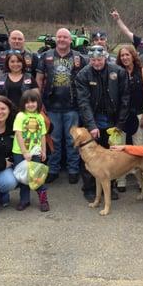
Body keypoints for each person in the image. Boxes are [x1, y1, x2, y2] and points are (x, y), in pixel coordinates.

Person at [76, 45, 130, 202]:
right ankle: (89, 187)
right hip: (92, 119)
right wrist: (91, 126)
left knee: (110, 155)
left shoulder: (118, 72)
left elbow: (125, 98)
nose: (96, 63)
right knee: (88, 155)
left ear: (105, 58)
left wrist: (120, 124)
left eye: (99, 59)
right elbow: (83, 103)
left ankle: (110, 186)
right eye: (93, 60)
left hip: (112, 119)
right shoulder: (83, 75)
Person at [36, 28, 87, 184]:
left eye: (65, 37)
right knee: (54, 139)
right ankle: (53, 169)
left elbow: (86, 80)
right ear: (55, 39)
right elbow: (38, 80)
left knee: (73, 140)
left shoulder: (79, 57)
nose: (62, 39)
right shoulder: (46, 56)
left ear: (70, 40)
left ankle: (73, 169)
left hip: (72, 106)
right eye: (59, 37)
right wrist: (40, 103)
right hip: (51, 106)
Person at [115, 45, 143, 192]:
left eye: (127, 55)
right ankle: (120, 180)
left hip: (139, 113)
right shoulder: (116, 72)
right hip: (121, 116)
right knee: (119, 148)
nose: (124, 58)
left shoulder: (142, 71)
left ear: (133, 56)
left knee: (140, 148)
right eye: (122, 55)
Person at [12, 90, 49, 212]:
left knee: (37, 176)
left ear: (38, 103)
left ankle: (43, 200)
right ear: (23, 104)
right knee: (24, 177)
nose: (30, 105)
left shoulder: (40, 117)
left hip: (35, 152)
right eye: (27, 102)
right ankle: (24, 200)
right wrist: (24, 152)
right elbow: (18, 134)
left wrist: (43, 151)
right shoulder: (20, 116)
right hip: (20, 152)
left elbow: (43, 135)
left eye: (33, 101)